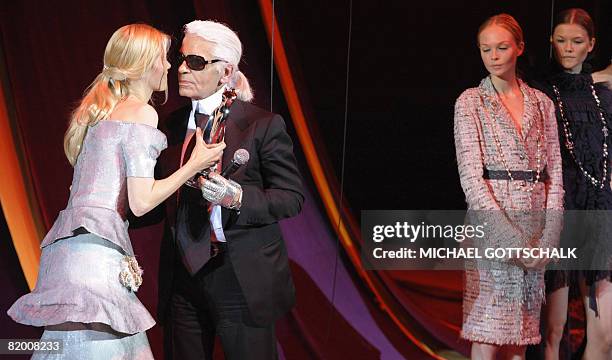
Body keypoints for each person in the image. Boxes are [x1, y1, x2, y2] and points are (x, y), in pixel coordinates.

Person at [7, 23, 224, 359]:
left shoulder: (98, 114)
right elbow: (141, 202)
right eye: (163, 59)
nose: (169, 66)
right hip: (96, 259)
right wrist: (193, 165)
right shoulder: (141, 113)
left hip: (68, 254)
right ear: (143, 64)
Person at [155, 20, 304, 360]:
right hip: (182, 276)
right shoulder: (169, 127)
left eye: (195, 62)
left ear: (225, 73)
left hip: (239, 275)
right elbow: (155, 199)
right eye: (181, 59)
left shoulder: (261, 125)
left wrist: (236, 198)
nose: (181, 69)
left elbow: (292, 198)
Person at [454, 14, 564, 359]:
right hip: (492, 225)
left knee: (521, 331)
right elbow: (471, 178)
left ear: (519, 48)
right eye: (486, 49)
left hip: (534, 223)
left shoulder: (542, 104)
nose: (494, 55)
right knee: (487, 328)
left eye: (502, 47)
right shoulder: (471, 101)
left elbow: (555, 174)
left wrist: (547, 239)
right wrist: (512, 243)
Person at [531, 8, 612, 360]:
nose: (568, 48)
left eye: (577, 42)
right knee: (552, 331)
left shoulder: (605, 94)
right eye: (561, 41)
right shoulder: (540, 89)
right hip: (560, 213)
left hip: (599, 212)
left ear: (591, 45)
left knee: (605, 335)